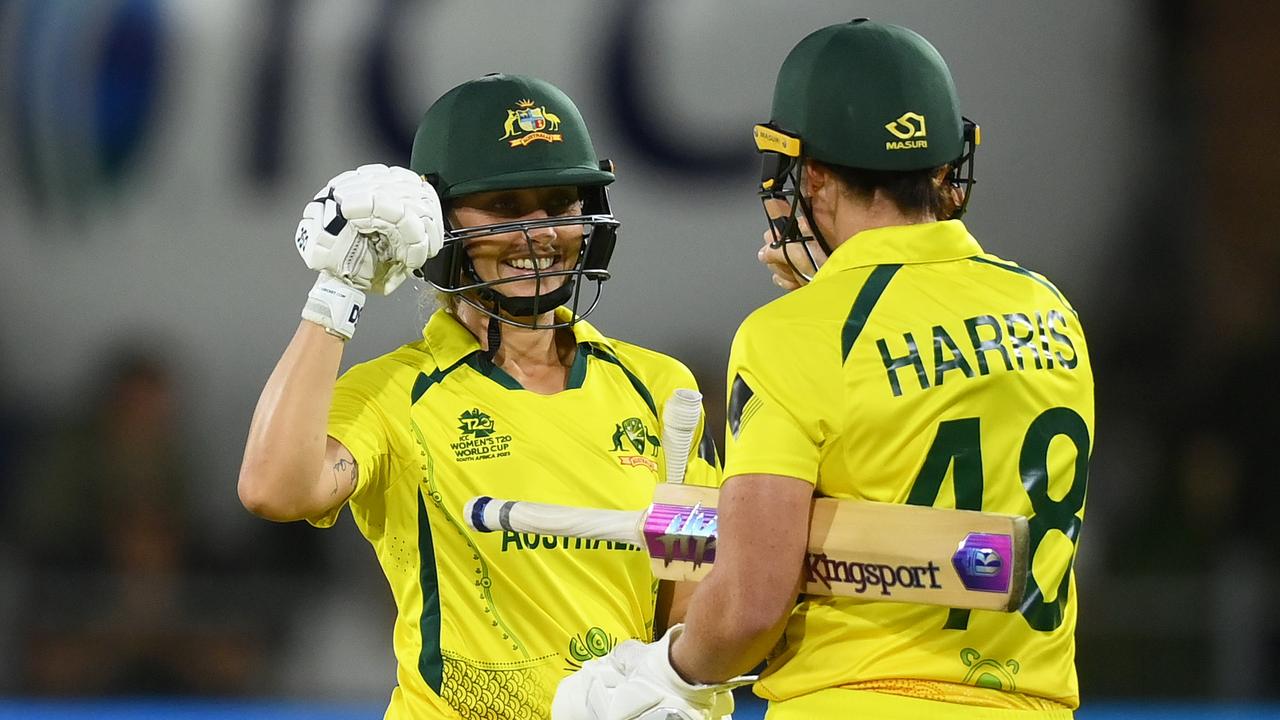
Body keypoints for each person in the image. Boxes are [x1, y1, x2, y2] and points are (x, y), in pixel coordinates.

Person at [554, 19, 1094, 720]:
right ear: (943, 168)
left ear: (811, 176)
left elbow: (752, 601)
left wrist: (664, 673)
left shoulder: (798, 335)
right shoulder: (1049, 308)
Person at [238, 73, 718, 719]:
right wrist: (338, 288)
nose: (539, 233)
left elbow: (691, 584)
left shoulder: (661, 388)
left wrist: (669, 682)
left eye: (558, 203)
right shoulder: (393, 395)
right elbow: (273, 489)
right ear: (437, 223)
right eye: (504, 208)